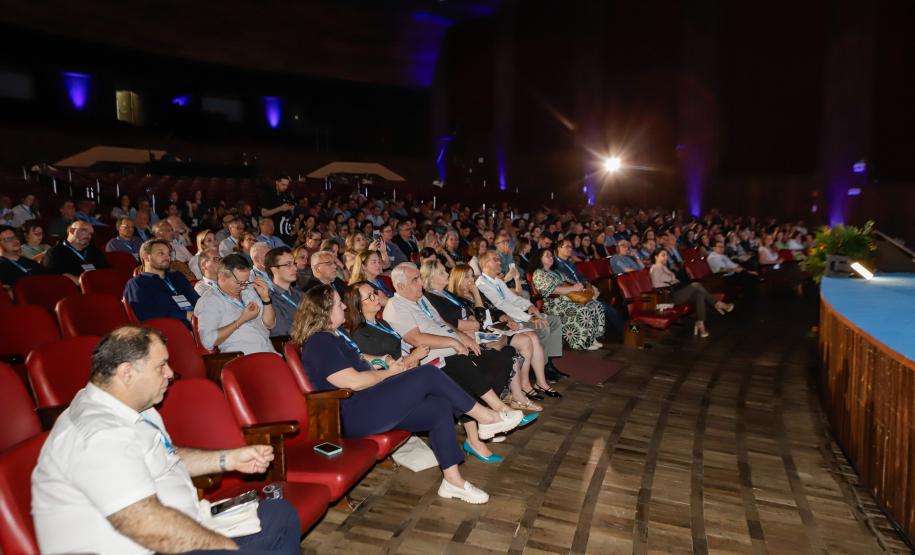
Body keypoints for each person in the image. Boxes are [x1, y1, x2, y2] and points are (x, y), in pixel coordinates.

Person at [32, 325, 301, 555]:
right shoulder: (97, 436)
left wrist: (227, 459)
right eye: (161, 366)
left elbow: (165, 455)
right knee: (268, 535)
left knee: (279, 514)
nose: (171, 373)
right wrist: (224, 545)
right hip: (151, 544)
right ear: (127, 373)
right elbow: (148, 527)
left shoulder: (136, 407)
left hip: (183, 523)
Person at [294, 286, 523, 504]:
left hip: (368, 403)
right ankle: (487, 418)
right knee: (428, 375)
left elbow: (360, 370)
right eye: (337, 303)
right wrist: (388, 374)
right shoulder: (320, 341)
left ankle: (453, 481)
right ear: (324, 311)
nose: (344, 306)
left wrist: (386, 366)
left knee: (438, 407)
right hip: (354, 414)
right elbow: (351, 382)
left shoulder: (333, 336)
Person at [475, 250, 565, 369]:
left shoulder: (496, 281)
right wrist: (530, 318)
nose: (500, 262)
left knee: (555, 320)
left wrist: (529, 306)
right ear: (486, 264)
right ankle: (541, 366)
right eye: (495, 259)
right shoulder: (482, 283)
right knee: (543, 327)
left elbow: (513, 298)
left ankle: (549, 363)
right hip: (507, 320)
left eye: (498, 259)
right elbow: (501, 305)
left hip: (518, 315)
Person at [193, 254, 277, 354]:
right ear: (222, 276)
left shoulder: (249, 291)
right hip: (243, 359)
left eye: (246, 282)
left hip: (269, 352)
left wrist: (265, 298)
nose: (243, 287)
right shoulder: (209, 300)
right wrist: (241, 320)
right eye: (239, 283)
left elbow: (270, 325)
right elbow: (208, 341)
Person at [531, 248, 606, 351]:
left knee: (595, 304)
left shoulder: (556, 272)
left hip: (569, 298)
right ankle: (582, 343)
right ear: (540, 259)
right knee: (583, 310)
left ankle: (592, 337)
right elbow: (552, 290)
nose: (551, 257)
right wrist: (572, 288)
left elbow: (570, 282)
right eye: (547, 255)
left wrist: (579, 286)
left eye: (551, 255)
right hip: (555, 303)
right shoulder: (539, 273)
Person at [649, 248, 733, 338]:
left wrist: (673, 281)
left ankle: (700, 323)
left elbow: (674, 280)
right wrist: (671, 281)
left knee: (699, 294)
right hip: (668, 297)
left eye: (666, 255)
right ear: (656, 257)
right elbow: (656, 286)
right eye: (663, 255)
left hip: (675, 292)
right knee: (696, 285)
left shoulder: (663, 267)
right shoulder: (655, 269)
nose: (666, 257)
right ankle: (717, 304)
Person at [124, 239, 199, 328]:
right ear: (146, 256)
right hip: (169, 330)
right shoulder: (137, 283)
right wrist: (184, 314)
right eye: (161, 253)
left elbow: (197, 300)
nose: (167, 257)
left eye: (168, 254)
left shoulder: (177, 277)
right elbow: (145, 314)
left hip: (197, 323)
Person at [43, 220, 111, 284]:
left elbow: (107, 270)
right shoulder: (55, 252)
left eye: (91, 233)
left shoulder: (94, 251)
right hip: (72, 291)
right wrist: (86, 283)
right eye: (84, 230)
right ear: (72, 231)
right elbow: (57, 276)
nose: (88, 236)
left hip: (98, 287)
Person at [265, 247, 302, 337]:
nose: (295, 268)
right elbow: (281, 331)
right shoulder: (269, 299)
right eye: (288, 264)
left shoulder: (302, 295)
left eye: (294, 264)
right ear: (274, 269)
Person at [259, 175, 296, 243]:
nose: (285, 187)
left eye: (287, 185)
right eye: (283, 184)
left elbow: (291, 214)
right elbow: (264, 213)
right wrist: (280, 208)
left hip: (285, 231)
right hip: (273, 232)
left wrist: (292, 210)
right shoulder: (268, 194)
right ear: (277, 182)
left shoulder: (286, 195)